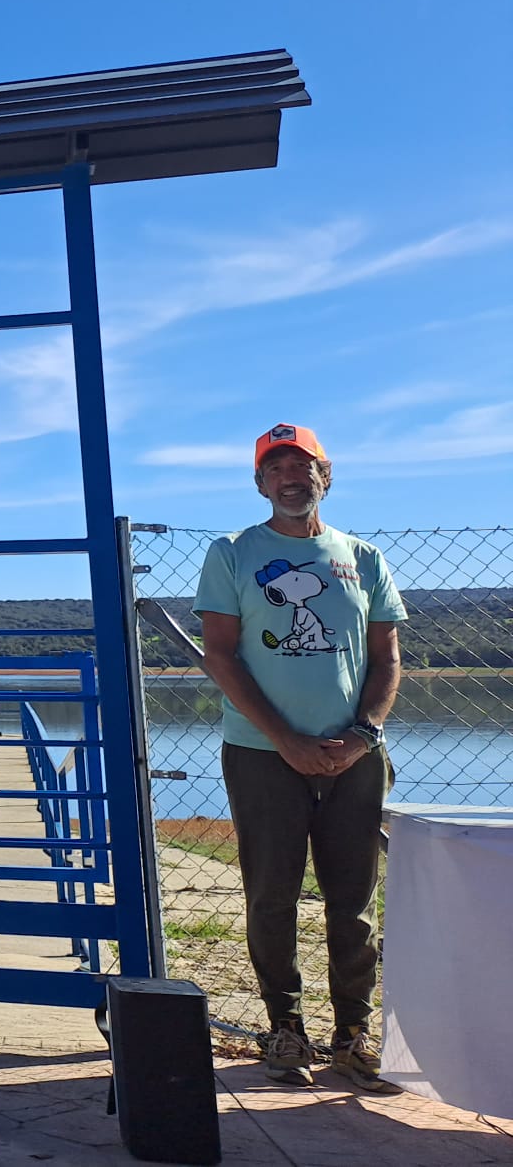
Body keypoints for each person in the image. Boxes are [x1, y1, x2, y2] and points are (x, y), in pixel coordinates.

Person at [193, 423, 406, 1092]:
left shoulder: (362, 557)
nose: (291, 478)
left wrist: (362, 735)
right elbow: (221, 656)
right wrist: (284, 738)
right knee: (272, 896)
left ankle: (353, 1035)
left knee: (354, 902)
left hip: (355, 755)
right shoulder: (231, 552)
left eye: (303, 466)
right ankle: (285, 1030)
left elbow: (386, 659)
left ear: (326, 476)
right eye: (276, 468)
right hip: (262, 754)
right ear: (261, 483)